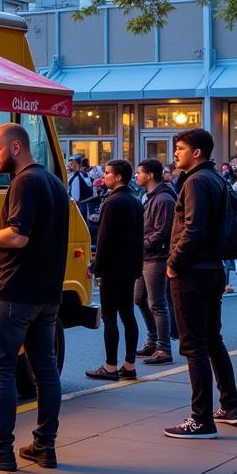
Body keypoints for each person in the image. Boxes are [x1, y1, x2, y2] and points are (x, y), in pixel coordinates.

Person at [0, 123, 69, 471]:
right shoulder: (53, 182)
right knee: (45, 369)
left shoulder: (24, 182)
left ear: (17, 147)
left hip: (15, 290)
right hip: (47, 293)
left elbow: (17, 237)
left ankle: (0, 448)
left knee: (1, 368)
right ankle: (44, 445)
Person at [164, 129, 237, 438]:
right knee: (212, 340)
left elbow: (194, 228)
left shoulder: (195, 181)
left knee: (194, 346)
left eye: (180, 149)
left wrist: (173, 263)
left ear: (197, 152)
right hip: (213, 270)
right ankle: (229, 407)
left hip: (192, 272)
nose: (175, 154)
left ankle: (201, 419)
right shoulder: (216, 180)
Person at [86, 160, 144, 381]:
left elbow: (104, 240)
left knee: (110, 316)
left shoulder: (113, 202)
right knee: (128, 314)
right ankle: (129, 365)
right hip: (130, 267)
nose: (104, 177)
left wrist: (97, 268)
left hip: (112, 268)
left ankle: (110, 366)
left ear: (119, 177)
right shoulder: (135, 201)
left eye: (108, 173)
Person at [134, 159, 176, 364]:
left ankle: (164, 349)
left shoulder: (163, 199)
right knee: (139, 299)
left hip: (156, 257)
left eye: (139, 172)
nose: (136, 175)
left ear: (150, 175)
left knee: (157, 303)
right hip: (146, 255)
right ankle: (153, 341)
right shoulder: (149, 197)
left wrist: (139, 242)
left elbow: (162, 232)